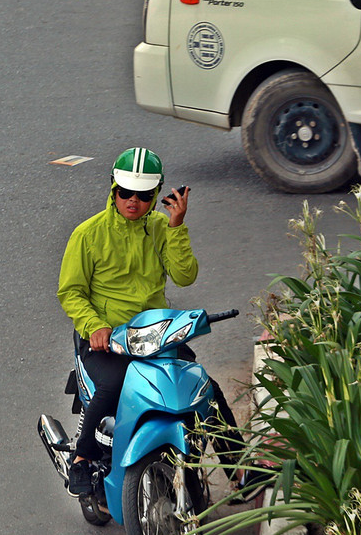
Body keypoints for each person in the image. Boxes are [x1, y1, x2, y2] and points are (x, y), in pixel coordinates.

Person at [56, 147, 240, 496]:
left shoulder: (161, 227)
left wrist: (176, 226)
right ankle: (81, 456)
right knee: (113, 386)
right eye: (125, 192)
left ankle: (240, 471)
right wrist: (94, 325)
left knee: (204, 389)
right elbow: (71, 292)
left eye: (143, 195)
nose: (133, 201)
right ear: (113, 189)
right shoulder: (87, 234)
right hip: (106, 340)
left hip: (154, 337)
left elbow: (185, 276)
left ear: (156, 196)